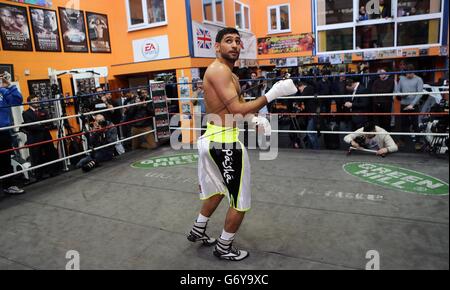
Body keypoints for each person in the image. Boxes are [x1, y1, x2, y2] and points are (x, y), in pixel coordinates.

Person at [187, 27, 297, 261]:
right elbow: (237, 109)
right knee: (240, 200)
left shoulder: (231, 75)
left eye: (238, 41)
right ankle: (224, 247)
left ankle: (198, 229)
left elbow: (236, 110)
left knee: (217, 189)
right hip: (225, 143)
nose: (235, 45)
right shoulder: (219, 71)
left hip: (213, 138)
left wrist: (255, 119)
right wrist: (273, 93)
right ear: (217, 47)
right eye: (228, 41)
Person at [22, 95, 59, 180]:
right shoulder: (26, 113)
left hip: (46, 136)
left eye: (37, 100)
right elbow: (31, 126)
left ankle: (52, 171)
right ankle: (38, 175)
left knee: (50, 154)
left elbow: (49, 123)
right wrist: (42, 125)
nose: (36, 101)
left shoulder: (43, 111)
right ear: (29, 102)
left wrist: (40, 125)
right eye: (34, 100)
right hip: (35, 138)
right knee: (36, 157)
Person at [0, 73, 25, 195]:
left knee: (5, 159)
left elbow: (18, 101)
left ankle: (8, 185)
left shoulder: (2, 91)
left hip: (3, 131)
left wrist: (9, 85)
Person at [395, 64, 424, 146]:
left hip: (413, 105)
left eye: (409, 73)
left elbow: (419, 93)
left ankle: (418, 142)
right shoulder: (402, 79)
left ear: (413, 72)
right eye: (406, 73)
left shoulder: (418, 79)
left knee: (415, 124)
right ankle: (402, 140)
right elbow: (397, 91)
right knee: (403, 123)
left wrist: (412, 104)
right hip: (404, 104)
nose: (407, 75)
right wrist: (401, 95)